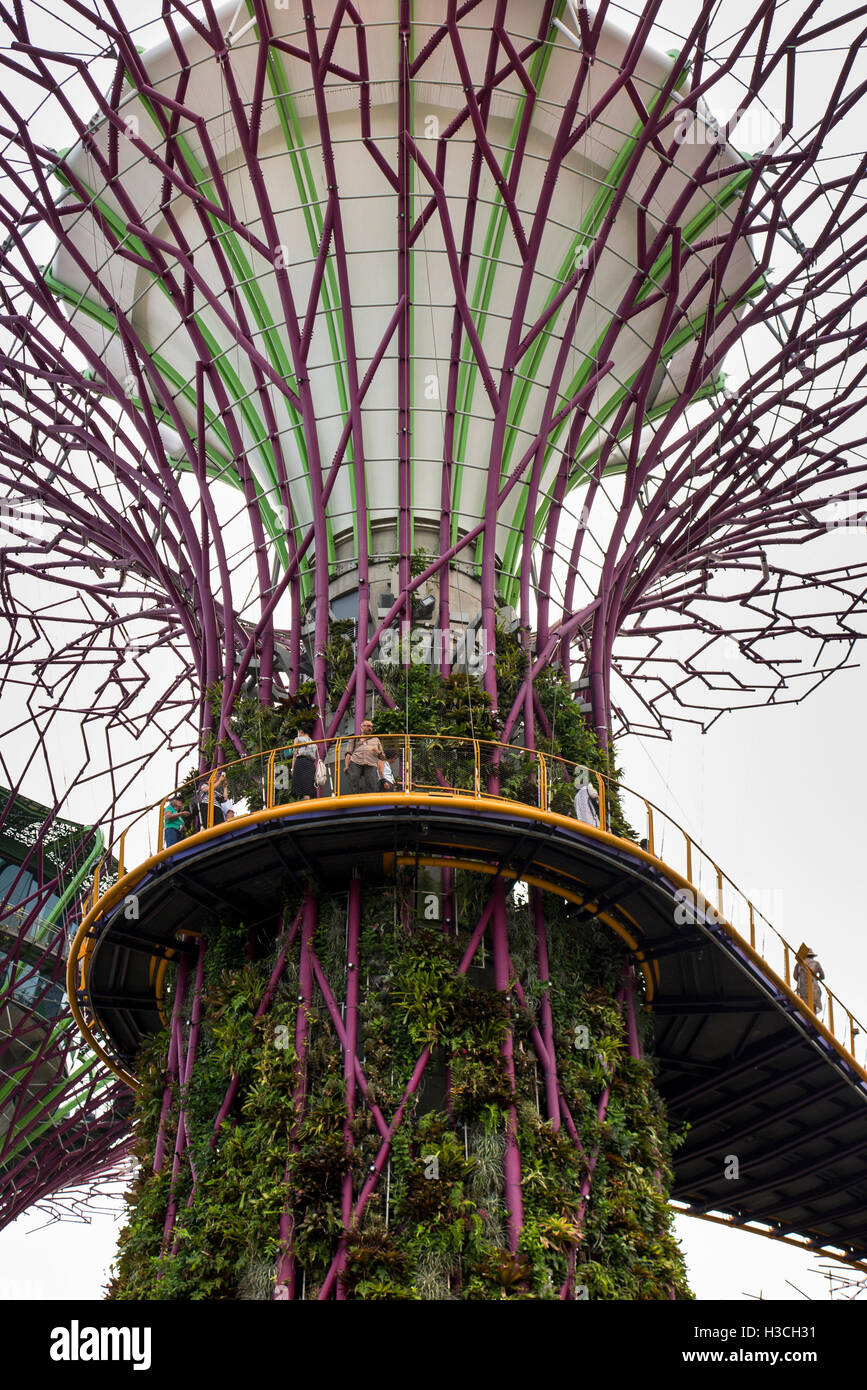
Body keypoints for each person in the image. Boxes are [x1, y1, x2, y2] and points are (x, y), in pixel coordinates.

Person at [344, 719, 385, 795]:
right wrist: (346, 766)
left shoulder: (375, 739)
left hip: (371, 762)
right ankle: (354, 799)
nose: (370, 728)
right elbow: (348, 753)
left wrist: (378, 752)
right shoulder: (355, 738)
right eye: (368, 726)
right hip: (356, 761)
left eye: (371, 727)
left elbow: (383, 758)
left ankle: (370, 801)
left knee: (371, 782)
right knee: (354, 779)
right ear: (361, 727)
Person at [794, 945, 824, 1015]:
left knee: (802, 1005)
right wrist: (816, 978)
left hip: (802, 988)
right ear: (812, 956)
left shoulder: (799, 964)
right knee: (813, 1007)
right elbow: (822, 976)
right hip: (813, 988)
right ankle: (813, 1019)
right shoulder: (816, 963)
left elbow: (795, 977)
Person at [291, 721, 317, 800]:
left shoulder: (298, 739)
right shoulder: (314, 743)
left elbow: (295, 754)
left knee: (302, 788)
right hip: (311, 765)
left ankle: (306, 808)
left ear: (300, 732)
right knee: (309, 787)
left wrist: (292, 768)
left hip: (301, 763)